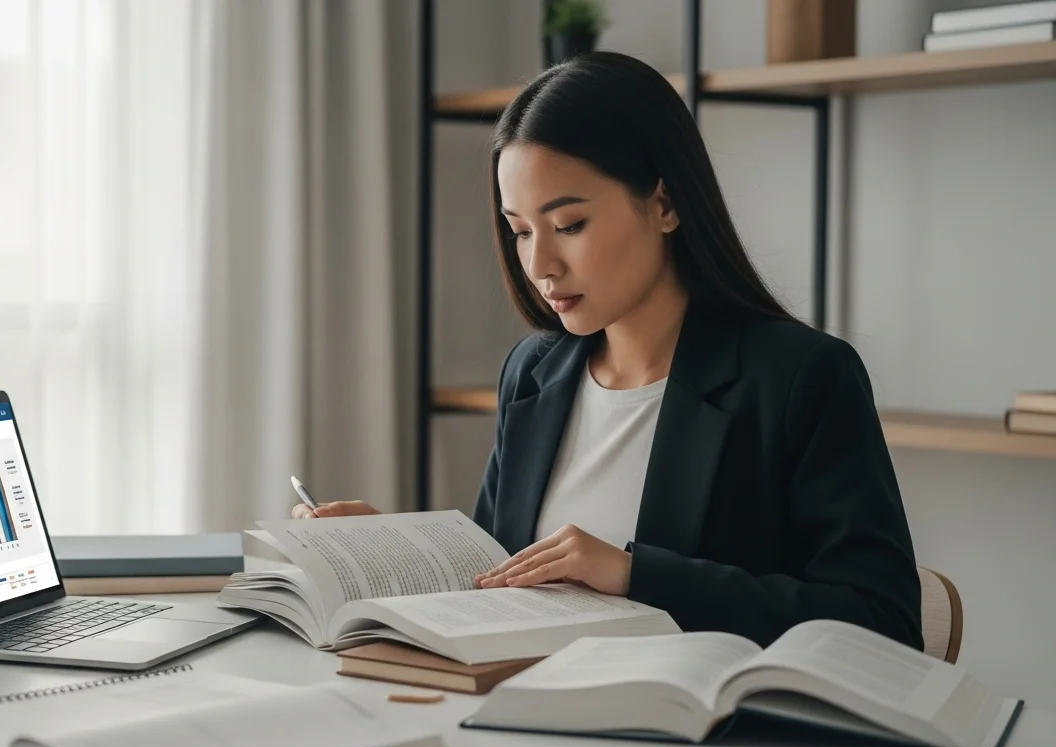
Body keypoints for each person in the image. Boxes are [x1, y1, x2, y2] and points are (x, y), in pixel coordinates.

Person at [293, 51, 922, 650]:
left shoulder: (801, 377)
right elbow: (501, 582)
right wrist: (400, 550)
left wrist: (632, 574)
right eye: (520, 231)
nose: (540, 263)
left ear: (665, 202)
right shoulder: (533, 373)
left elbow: (883, 623)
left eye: (569, 225)